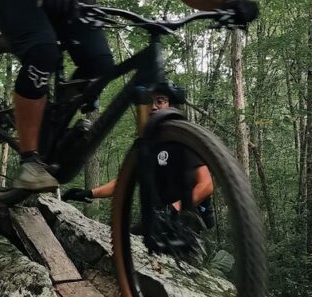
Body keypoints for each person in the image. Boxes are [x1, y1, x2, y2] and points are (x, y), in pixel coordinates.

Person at [0, 0, 260, 191]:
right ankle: (29, 159)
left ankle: (50, 119)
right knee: (42, 53)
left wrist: (226, 3)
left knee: (100, 64)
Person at [62, 89, 215, 231]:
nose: (153, 107)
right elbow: (123, 183)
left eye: (160, 101)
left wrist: (173, 209)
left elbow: (206, 185)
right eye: (149, 102)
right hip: (157, 219)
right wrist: (88, 193)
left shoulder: (182, 139)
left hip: (187, 217)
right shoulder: (144, 145)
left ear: (170, 105)